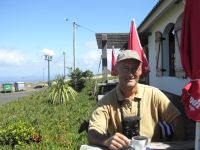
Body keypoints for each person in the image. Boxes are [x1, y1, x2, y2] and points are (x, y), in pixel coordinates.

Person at [88, 50, 185, 150]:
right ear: (116, 69)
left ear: (140, 71)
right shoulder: (106, 102)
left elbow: (176, 118)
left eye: (134, 68)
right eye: (125, 68)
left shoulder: (153, 94)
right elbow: (93, 131)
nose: (130, 73)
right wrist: (106, 141)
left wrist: (176, 144)